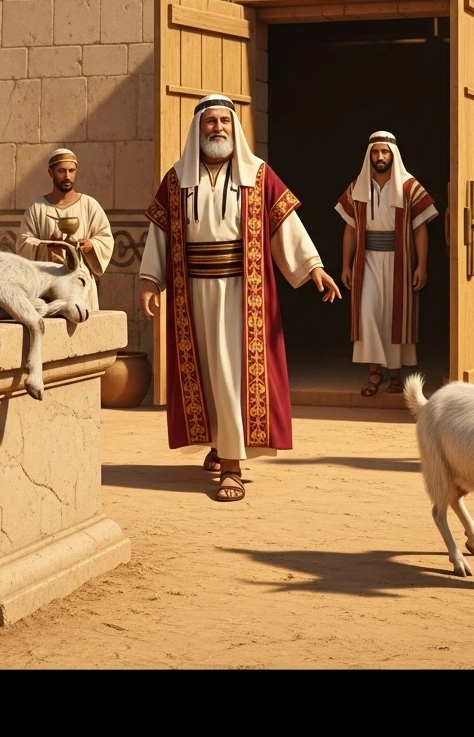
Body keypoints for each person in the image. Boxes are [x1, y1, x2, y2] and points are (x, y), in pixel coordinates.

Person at [138, 94, 341, 502]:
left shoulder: (259, 175)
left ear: (234, 127)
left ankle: (232, 465)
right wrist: (148, 281)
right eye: (210, 122)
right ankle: (218, 443)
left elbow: (287, 228)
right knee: (208, 373)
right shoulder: (176, 178)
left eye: (224, 122)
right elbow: (159, 238)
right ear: (198, 130)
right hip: (191, 295)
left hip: (242, 294)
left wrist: (313, 267)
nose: (217, 128)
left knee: (234, 373)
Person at [335, 131, 439, 397]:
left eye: (385, 152)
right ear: (368, 155)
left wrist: (421, 266)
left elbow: (420, 230)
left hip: (399, 261)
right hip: (366, 259)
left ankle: (395, 374)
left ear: (393, 155)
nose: (380, 157)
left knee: (395, 315)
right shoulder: (357, 186)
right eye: (375, 152)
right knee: (367, 314)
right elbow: (349, 229)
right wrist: (345, 265)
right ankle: (374, 373)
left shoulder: (410, 187)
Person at [17, 147, 113, 309]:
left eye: (71, 170)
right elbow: (23, 243)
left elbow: (105, 237)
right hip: (46, 284)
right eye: (61, 171)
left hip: (79, 283)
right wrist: (46, 246)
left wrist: (91, 246)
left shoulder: (89, 205)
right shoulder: (37, 207)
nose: (67, 176)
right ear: (50, 173)